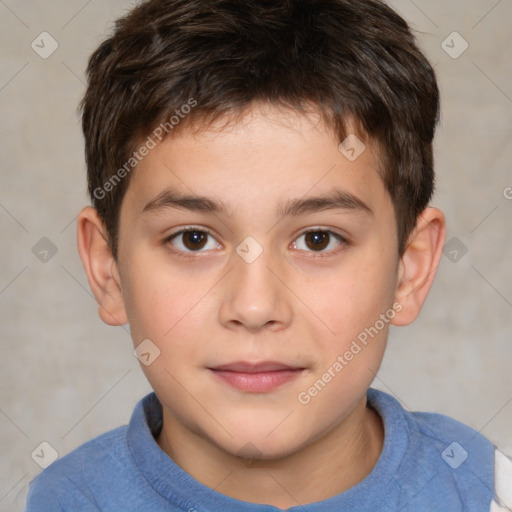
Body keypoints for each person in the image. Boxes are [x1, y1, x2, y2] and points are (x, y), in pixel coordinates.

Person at [25, 0, 511, 510]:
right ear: (109, 269)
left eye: (318, 239)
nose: (255, 308)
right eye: (193, 239)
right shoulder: (65, 500)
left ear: (409, 270)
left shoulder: (486, 491)